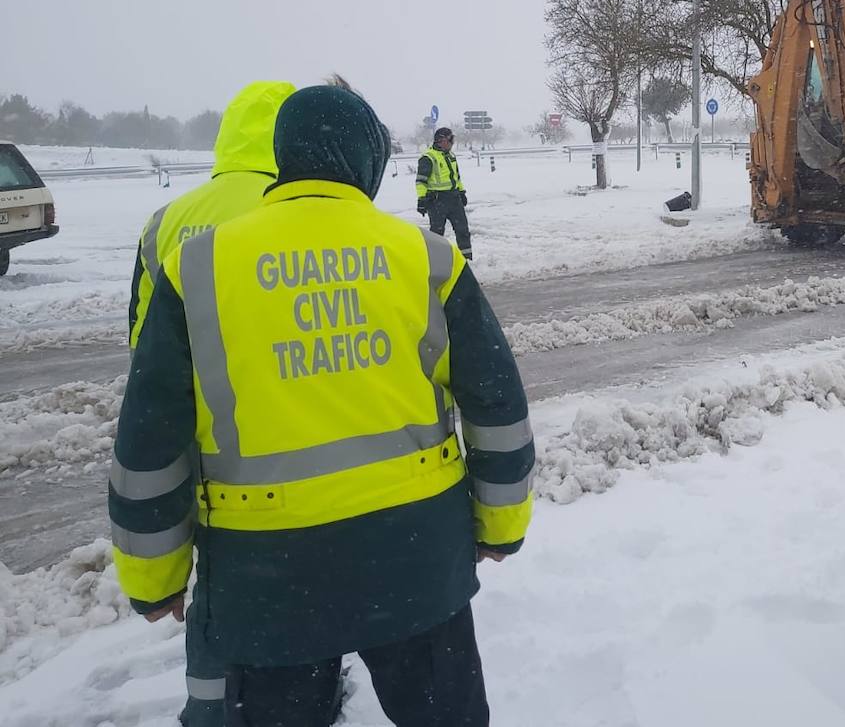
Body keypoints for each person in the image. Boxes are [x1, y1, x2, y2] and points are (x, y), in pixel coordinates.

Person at [109, 85, 535, 727]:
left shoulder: (195, 267)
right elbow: (497, 406)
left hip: (267, 576)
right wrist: (502, 527)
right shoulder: (426, 257)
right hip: (415, 558)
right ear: (366, 162)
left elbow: (150, 440)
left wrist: (153, 577)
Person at [124, 79, 295, 727]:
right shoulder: (299, 211)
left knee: (218, 600)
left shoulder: (165, 221)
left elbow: (145, 364)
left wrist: (152, 566)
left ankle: (210, 706)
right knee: (292, 599)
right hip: (280, 452)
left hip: (203, 458)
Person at [416, 127, 472, 259]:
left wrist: (461, 191)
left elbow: (456, 177)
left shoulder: (451, 156)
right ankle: (435, 262)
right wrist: (422, 199)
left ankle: (466, 259)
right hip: (436, 201)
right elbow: (421, 181)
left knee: (462, 230)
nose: (452, 142)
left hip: (454, 198)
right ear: (440, 141)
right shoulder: (428, 157)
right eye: (450, 139)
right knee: (437, 234)